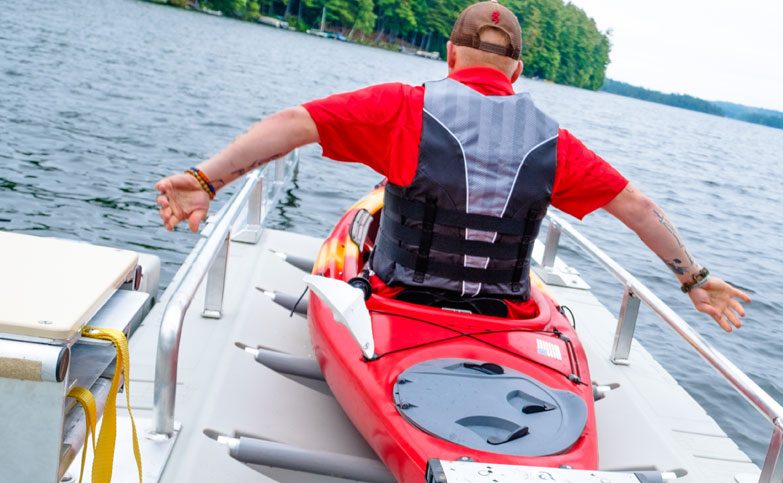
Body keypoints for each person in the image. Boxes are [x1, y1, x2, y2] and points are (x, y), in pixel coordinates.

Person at [155, 1, 750, 332]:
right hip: (504, 318)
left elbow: (292, 122)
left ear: (448, 54)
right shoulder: (556, 141)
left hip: (399, 303)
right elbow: (641, 208)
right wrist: (693, 280)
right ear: (517, 71)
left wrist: (205, 179)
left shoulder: (404, 107)